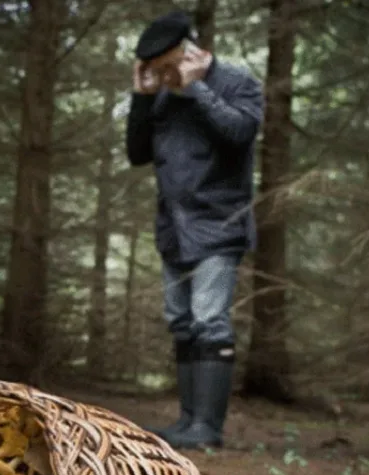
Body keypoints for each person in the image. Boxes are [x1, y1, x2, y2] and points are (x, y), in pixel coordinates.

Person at [125, 9, 265, 450]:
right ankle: (188, 421)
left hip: (218, 223)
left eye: (167, 67)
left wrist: (197, 89)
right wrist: (142, 97)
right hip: (174, 228)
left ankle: (207, 428)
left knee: (209, 321)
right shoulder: (161, 96)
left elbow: (240, 132)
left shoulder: (236, 83)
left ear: (190, 53)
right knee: (182, 322)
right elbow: (137, 153)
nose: (163, 76)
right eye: (155, 69)